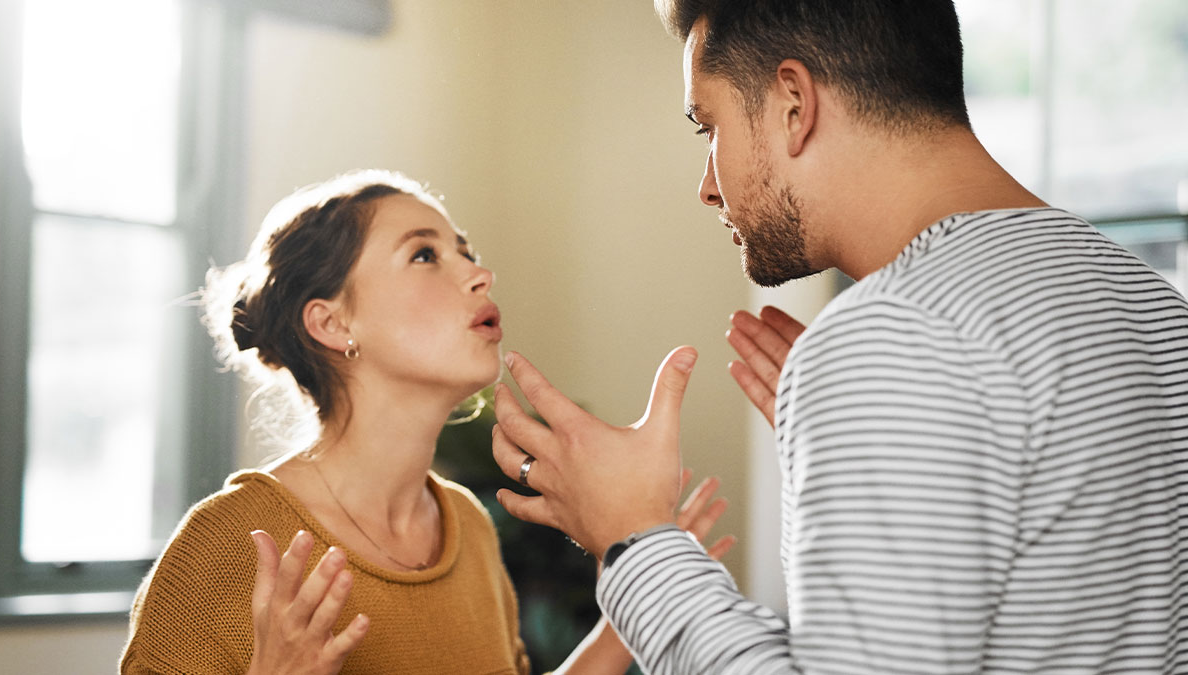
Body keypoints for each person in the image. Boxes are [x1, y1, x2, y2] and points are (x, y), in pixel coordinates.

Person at [489, 1, 1188, 673]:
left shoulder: (893, 340)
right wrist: (873, 436)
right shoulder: (1151, 302)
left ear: (794, 103)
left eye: (708, 126)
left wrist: (633, 536)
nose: (707, 185)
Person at [119, 169, 735, 674]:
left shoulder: (468, 525)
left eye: (466, 251)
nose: (479, 273)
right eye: (424, 254)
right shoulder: (230, 546)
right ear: (333, 324)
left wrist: (622, 617)